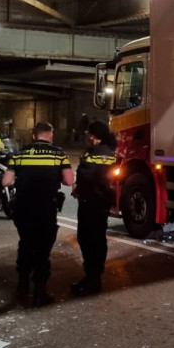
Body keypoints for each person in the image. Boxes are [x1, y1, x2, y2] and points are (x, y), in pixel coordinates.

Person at [2, 122, 74, 306]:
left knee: (26, 246)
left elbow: (6, 181)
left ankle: (22, 286)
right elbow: (68, 181)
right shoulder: (58, 153)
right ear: (50, 135)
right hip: (45, 208)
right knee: (42, 252)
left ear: (33, 136)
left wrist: (23, 177)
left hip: (24, 208)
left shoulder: (19, 153)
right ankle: (40, 292)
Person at [71, 121, 116, 296]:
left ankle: (92, 277)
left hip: (91, 201)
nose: (86, 136)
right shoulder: (108, 151)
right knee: (98, 238)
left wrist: (77, 190)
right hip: (102, 201)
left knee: (87, 238)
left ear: (92, 135)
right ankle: (94, 276)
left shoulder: (95, 152)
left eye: (88, 133)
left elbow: (89, 177)